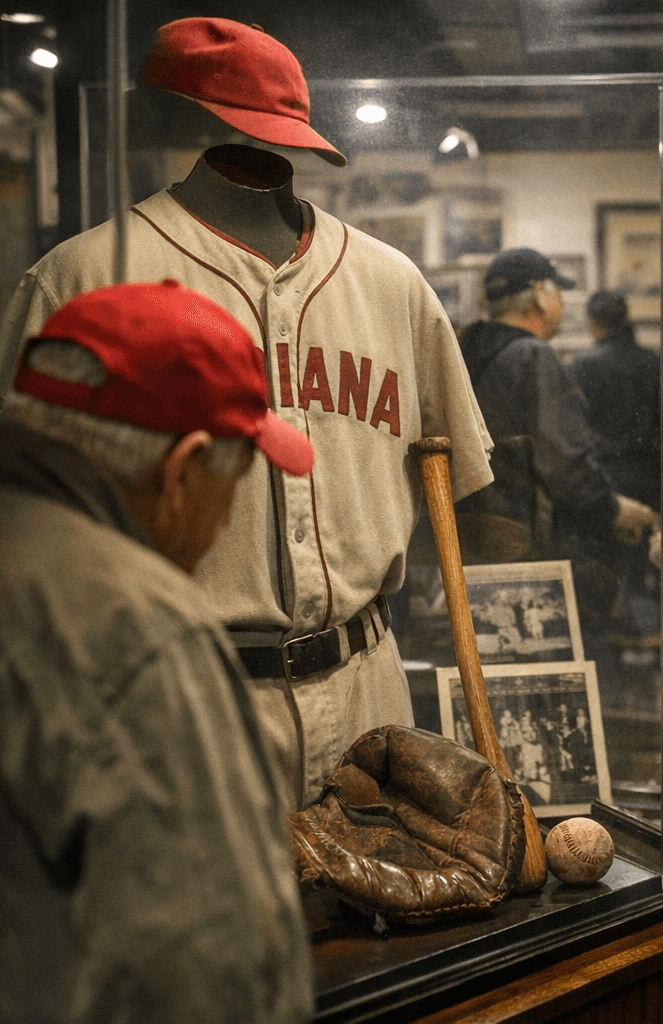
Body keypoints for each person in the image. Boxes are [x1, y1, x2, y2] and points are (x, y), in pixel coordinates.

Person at [0, 17, 495, 810]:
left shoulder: (392, 282)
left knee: (394, 931)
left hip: (371, 684)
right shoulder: (82, 279)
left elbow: (459, 489)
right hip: (176, 693)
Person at [0, 281, 317, 1023]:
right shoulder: (141, 631)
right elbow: (212, 978)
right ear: (182, 471)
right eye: (238, 481)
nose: (229, 515)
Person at [455, 248, 656, 706]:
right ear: (542, 297)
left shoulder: (466, 349)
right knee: (574, 695)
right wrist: (613, 509)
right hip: (538, 561)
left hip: (475, 557)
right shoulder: (532, 356)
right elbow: (564, 464)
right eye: (557, 292)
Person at [568, 290, 662, 510]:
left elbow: (576, 428)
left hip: (603, 475)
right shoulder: (651, 360)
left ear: (592, 322)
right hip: (650, 473)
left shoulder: (582, 365)